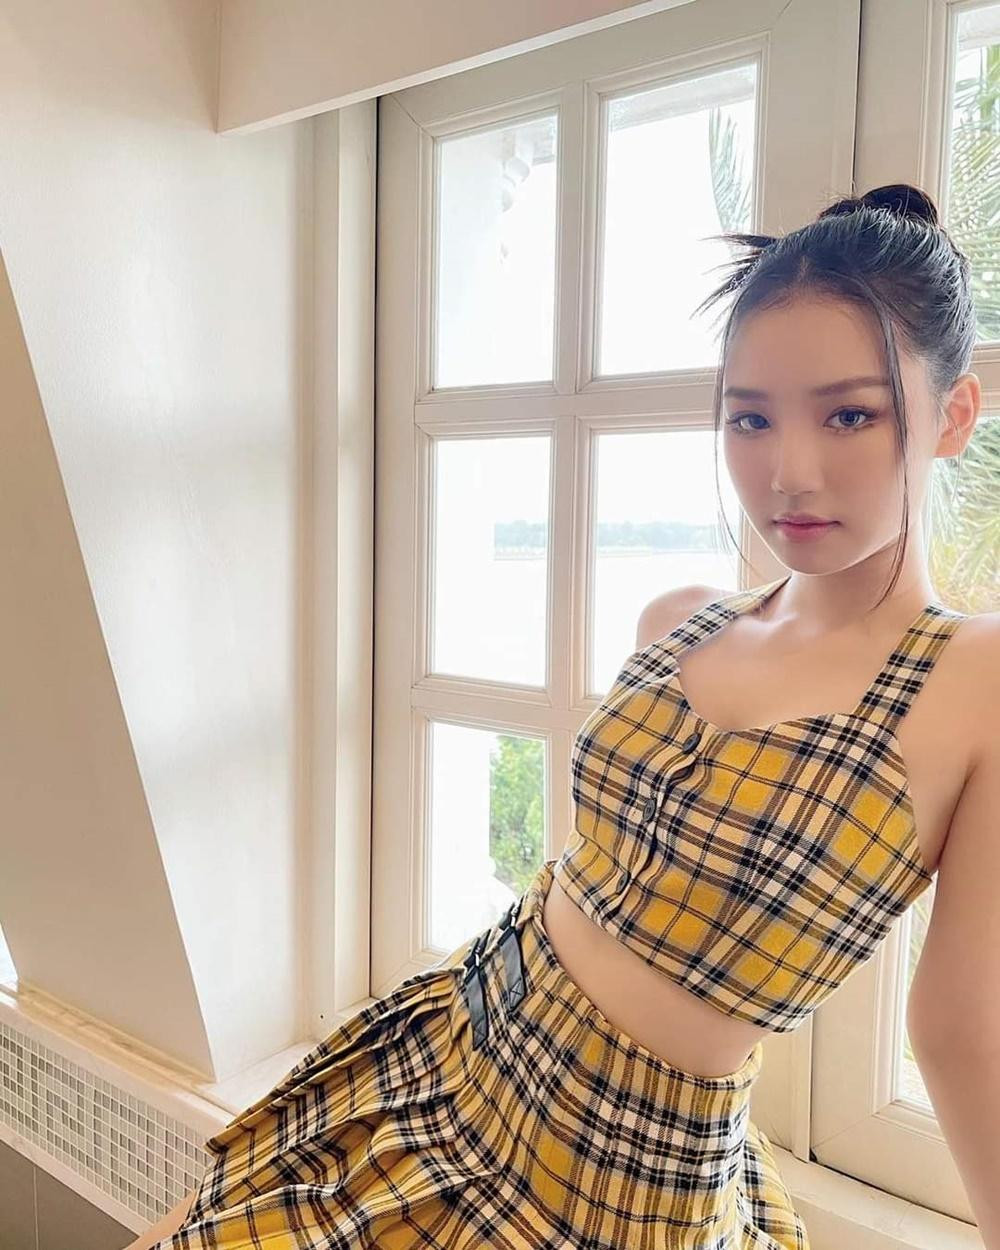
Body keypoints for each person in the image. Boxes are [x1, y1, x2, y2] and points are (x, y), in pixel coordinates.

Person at [137, 183, 995, 1248]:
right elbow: (598, 879)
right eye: (749, 418)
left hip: (616, 1185)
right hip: (453, 1046)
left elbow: (962, 1028)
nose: (788, 471)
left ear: (953, 414)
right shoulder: (680, 621)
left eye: (850, 414)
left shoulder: (971, 678)